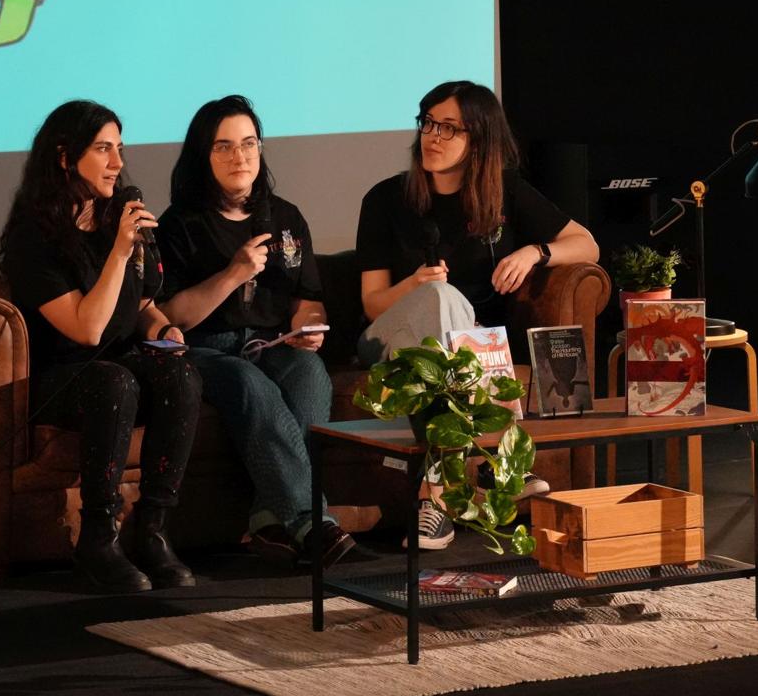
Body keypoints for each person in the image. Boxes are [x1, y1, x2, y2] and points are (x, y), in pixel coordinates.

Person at [355, 80, 600, 548]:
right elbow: (371, 304)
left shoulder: (503, 192)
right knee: (441, 299)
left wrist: (533, 252)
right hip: (388, 338)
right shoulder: (385, 199)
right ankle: (500, 464)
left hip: (457, 350)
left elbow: (587, 243)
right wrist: (417, 285)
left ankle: (437, 500)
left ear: (479, 140)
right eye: (428, 123)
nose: (433, 136)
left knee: (457, 322)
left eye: (450, 129)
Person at [0, 100, 203, 593]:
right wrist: (120, 251)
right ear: (65, 157)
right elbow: (85, 330)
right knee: (114, 379)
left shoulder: (115, 221)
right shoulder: (35, 237)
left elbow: (144, 303)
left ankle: (153, 531)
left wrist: (160, 328)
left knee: (181, 373)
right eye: (103, 149)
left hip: (118, 360)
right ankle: (97, 540)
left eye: (120, 149)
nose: (117, 163)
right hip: (61, 373)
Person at [156, 95, 354, 569]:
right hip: (207, 349)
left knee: (310, 374)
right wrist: (232, 273)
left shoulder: (285, 217)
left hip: (273, 343)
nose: (239, 156)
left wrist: (308, 327)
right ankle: (312, 522)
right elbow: (171, 318)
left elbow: (307, 298)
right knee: (251, 386)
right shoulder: (180, 224)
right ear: (203, 156)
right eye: (223, 146)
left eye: (248, 144)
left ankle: (270, 518)